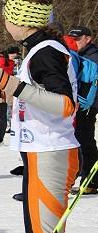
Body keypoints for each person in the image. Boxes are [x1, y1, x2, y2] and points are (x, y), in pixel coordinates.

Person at [0, 1, 80, 233]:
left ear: (20, 21)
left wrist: (10, 85)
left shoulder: (45, 51)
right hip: (39, 149)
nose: (4, 22)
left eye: (7, 17)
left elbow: (65, 104)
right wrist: (5, 90)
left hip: (51, 150)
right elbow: (35, 95)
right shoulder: (37, 49)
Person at [68, 26, 98, 195]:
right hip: (81, 104)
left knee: (84, 141)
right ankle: (87, 178)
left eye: (78, 39)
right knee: (80, 140)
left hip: (88, 105)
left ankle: (90, 180)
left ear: (88, 38)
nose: (75, 42)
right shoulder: (79, 55)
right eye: (73, 39)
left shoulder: (93, 57)